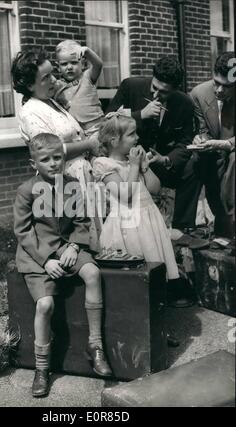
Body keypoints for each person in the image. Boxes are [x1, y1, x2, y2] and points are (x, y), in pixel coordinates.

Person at [14, 133, 112, 398]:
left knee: (92, 272)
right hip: (37, 254)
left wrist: (74, 246)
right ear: (33, 162)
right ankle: (42, 368)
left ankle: (95, 345)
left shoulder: (72, 185)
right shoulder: (27, 190)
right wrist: (46, 260)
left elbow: (82, 221)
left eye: (58, 157)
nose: (53, 163)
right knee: (45, 305)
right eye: (45, 159)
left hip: (68, 247)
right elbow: (23, 232)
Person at [11, 49, 101, 250]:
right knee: (76, 234)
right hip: (61, 180)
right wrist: (89, 144)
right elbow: (49, 151)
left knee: (93, 227)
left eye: (52, 73)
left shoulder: (51, 101)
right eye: (46, 78)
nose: (53, 80)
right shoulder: (30, 113)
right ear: (29, 85)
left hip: (81, 174)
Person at [107, 57, 196, 233]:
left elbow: (186, 142)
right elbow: (108, 119)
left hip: (159, 163)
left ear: (175, 90)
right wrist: (140, 115)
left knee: (194, 165)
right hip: (129, 160)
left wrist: (165, 159)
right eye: (154, 87)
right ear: (152, 76)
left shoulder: (185, 103)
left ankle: (182, 227)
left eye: (163, 92)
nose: (156, 95)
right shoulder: (130, 86)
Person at [92, 112, 179, 280]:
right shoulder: (104, 164)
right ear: (114, 141)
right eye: (131, 134)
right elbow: (125, 196)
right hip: (128, 225)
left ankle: (158, 294)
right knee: (138, 264)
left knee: (155, 259)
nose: (137, 137)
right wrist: (134, 166)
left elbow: (155, 189)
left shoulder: (133, 162)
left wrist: (145, 168)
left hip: (149, 218)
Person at [190, 51, 235, 238]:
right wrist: (200, 138)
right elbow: (201, 129)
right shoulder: (199, 94)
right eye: (216, 82)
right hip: (213, 157)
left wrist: (226, 145)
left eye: (226, 86)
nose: (218, 90)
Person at [54, 39, 104, 140]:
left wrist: (87, 51)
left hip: (96, 128)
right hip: (76, 134)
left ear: (83, 64)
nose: (69, 67)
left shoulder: (87, 77)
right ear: (58, 67)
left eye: (74, 62)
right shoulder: (57, 86)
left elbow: (98, 65)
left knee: (98, 149)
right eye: (64, 64)